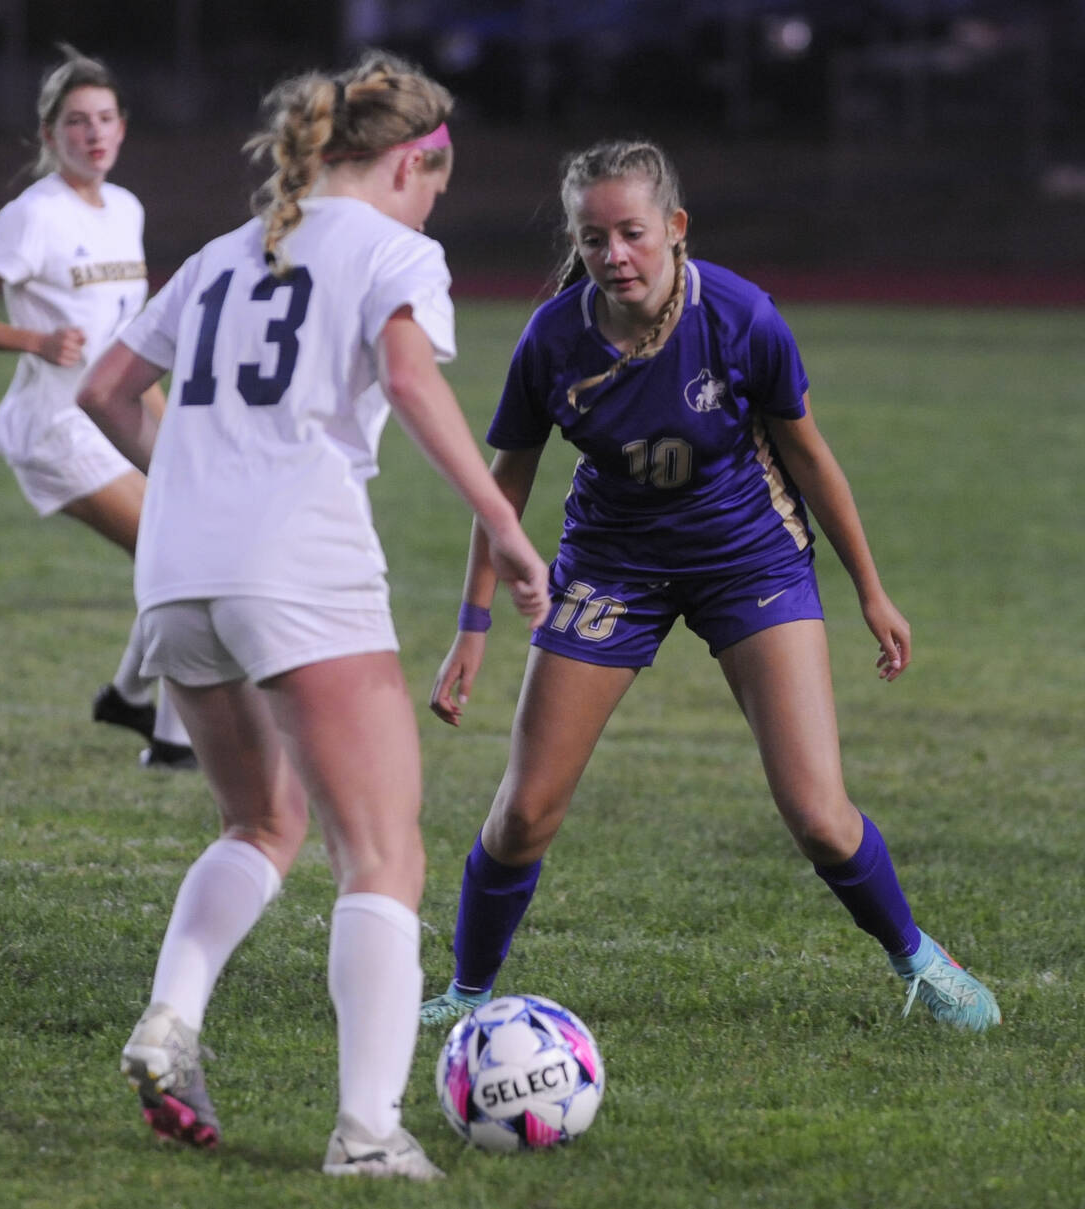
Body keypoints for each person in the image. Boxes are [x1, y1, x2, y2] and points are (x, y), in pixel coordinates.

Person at [76, 52, 550, 1180]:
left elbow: (102, 391)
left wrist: (196, 480)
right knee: (382, 853)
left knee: (260, 826)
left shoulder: (223, 253)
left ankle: (170, 1017)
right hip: (297, 567)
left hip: (176, 571)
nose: (437, 196)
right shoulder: (396, 249)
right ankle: (368, 1133)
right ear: (413, 158)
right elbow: (413, 381)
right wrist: (507, 529)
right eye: (438, 176)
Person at [419, 139, 1000, 1034]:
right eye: (593, 238)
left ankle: (921, 958)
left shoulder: (741, 316)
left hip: (748, 559)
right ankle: (464, 996)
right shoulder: (553, 340)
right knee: (526, 809)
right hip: (611, 563)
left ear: (675, 228)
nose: (615, 255)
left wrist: (871, 591)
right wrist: (473, 624)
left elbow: (809, 456)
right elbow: (505, 487)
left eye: (633, 233)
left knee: (818, 814)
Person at [0, 43, 193, 769]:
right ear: (50, 137)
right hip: (52, 429)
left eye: (105, 118)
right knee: (180, 555)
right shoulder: (33, 215)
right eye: (77, 122)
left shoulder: (127, 210)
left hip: (114, 417)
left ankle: (133, 704)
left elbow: (131, 345)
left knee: (187, 544)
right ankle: (168, 736)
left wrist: (173, 442)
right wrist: (35, 339)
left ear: (123, 127)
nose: (94, 133)